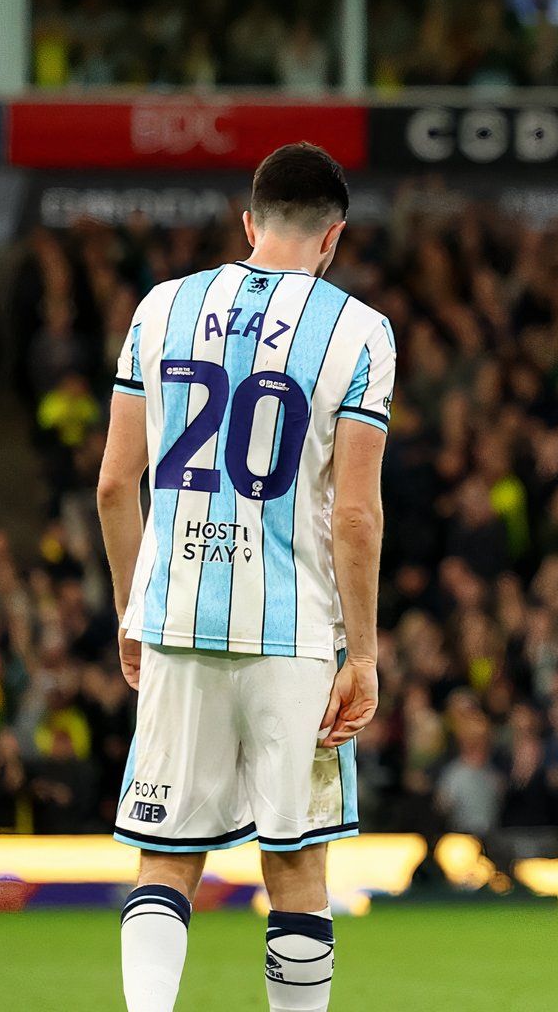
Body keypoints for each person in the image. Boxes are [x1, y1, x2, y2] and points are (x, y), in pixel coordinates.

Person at [96, 143, 393, 1012]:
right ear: (333, 237)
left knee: (167, 856)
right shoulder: (359, 330)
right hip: (296, 632)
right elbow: (355, 514)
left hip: (177, 618)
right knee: (296, 865)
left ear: (249, 221)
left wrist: (130, 609)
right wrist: (364, 656)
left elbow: (118, 482)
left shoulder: (161, 308)